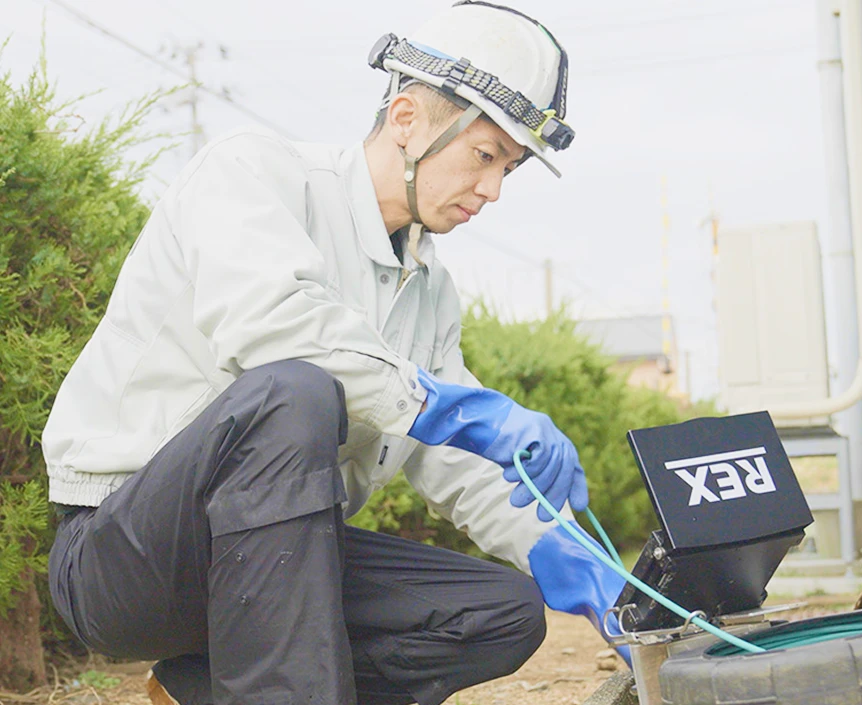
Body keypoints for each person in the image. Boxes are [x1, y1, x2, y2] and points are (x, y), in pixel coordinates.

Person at [42, 2, 625, 704]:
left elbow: (456, 460)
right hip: (126, 555)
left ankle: (199, 689)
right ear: (406, 118)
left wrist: (569, 554)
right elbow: (273, 326)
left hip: (273, 562)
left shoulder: (428, 288)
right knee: (294, 392)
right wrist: (452, 407)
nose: (493, 189)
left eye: (511, 166)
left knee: (499, 612)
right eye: (484, 154)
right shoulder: (253, 173)